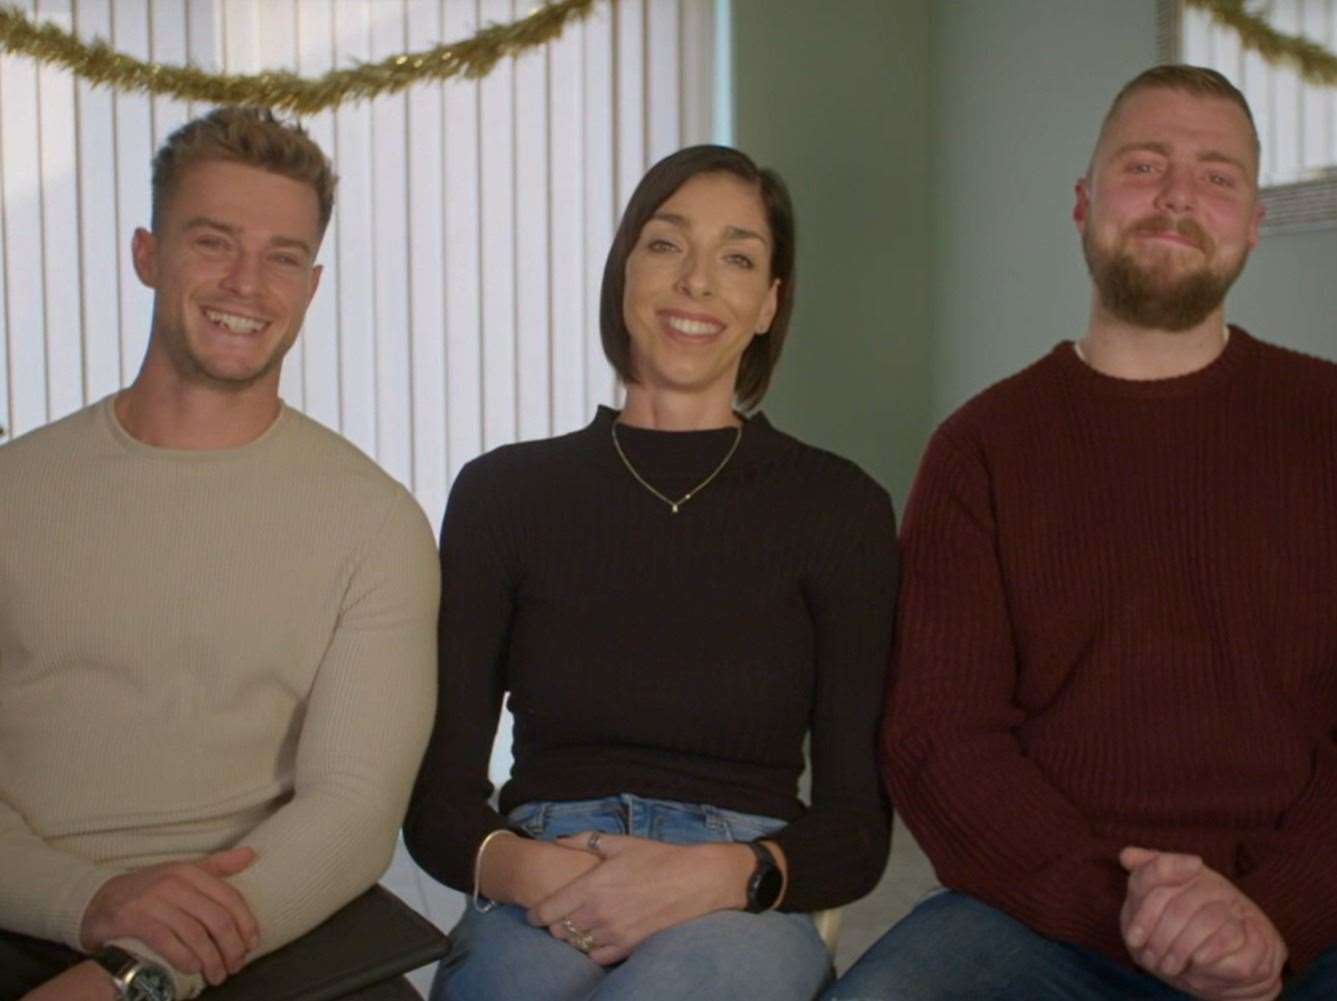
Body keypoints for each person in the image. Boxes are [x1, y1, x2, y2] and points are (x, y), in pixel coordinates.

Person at [827, 65, 1337, 1001]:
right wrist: (1129, 911)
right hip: (1048, 922)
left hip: (1312, 908)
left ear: (1253, 221)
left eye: (1217, 175)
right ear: (1083, 201)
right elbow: (938, 737)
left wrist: (1274, 916)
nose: (1178, 195)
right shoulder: (980, 448)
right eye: (1143, 164)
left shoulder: (1327, 420)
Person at [404, 144, 898, 1001]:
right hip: (543, 873)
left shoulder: (839, 506)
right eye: (667, 244)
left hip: (735, 888)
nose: (696, 282)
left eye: (737, 257)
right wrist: (540, 874)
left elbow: (857, 829)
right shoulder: (503, 493)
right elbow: (439, 804)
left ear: (768, 303)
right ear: (624, 270)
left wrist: (718, 876)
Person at [0, 107, 439, 1001]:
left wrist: (133, 976)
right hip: (23, 909)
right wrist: (85, 901)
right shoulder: (15, 490)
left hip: (259, 935)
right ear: (146, 255)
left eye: (282, 256)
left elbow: (351, 817)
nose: (247, 284)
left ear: (311, 285)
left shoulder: (377, 522)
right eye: (213, 243)